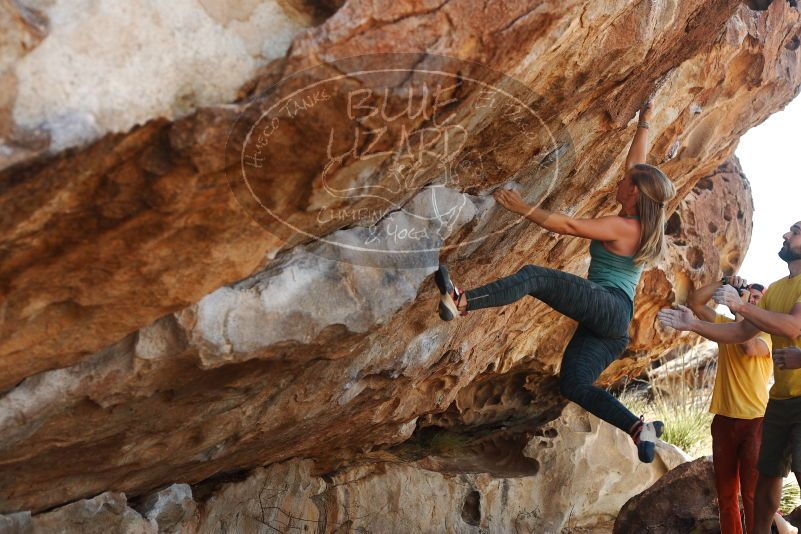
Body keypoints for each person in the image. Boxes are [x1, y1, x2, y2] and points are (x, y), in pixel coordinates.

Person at [433, 100, 677, 463]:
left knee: (535, 276)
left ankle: (462, 300)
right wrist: (645, 122)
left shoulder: (625, 227)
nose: (621, 180)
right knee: (574, 384)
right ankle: (638, 428)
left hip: (610, 306)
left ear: (635, 194)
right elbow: (635, 168)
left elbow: (570, 226)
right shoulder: (638, 219)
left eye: (626, 182)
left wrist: (522, 207)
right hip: (612, 328)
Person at [658, 221, 801, 534]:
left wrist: (739, 305)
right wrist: (701, 315)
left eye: (794, 231)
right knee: (744, 490)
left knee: (758, 490)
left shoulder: (771, 322)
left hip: (761, 417)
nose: (786, 235)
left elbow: (771, 336)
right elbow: (718, 319)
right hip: (747, 411)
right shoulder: (767, 298)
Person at [686, 276, 772, 534]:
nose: (751, 300)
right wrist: (723, 281)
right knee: (725, 496)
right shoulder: (723, 325)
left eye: (757, 299)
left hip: (755, 422)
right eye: (748, 295)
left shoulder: (768, 334)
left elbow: (747, 347)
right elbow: (695, 303)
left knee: (752, 495)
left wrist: (740, 308)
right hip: (723, 420)